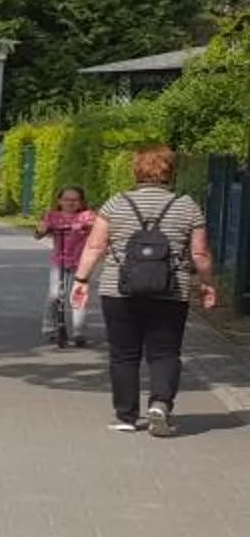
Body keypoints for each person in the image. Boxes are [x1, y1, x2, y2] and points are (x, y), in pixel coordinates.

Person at [70, 146, 220, 436]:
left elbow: (95, 245)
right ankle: (161, 403)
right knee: (165, 351)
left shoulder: (116, 203)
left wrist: (81, 280)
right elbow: (200, 253)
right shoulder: (187, 205)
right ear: (169, 171)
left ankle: (126, 415)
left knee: (123, 354)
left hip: (119, 290)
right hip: (171, 291)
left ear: (136, 170)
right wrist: (207, 283)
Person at [34, 186, 98, 349]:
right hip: (59, 261)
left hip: (80, 263)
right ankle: (50, 326)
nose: (71, 203)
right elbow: (39, 233)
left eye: (75, 200)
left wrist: (91, 228)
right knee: (55, 294)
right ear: (60, 201)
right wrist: (42, 229)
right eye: (67, 199)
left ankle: (78, 331)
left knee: (78, 295)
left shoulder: (86, 216)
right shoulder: (53, 216)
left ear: (81, 202)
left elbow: (98, 229)